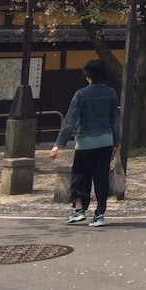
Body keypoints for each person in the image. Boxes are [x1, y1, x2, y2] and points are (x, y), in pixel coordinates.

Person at [49, 58, 120, 227]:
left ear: (87, 76)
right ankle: (99, 214)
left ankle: (79, 210)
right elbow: (115, 119)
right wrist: (117, 140)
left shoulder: (81, 94)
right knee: (101, 177)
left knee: (80, 176)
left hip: (85, 142)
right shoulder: (110, 93)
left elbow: (70, 121)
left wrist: (58, 144)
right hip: (106, 141)